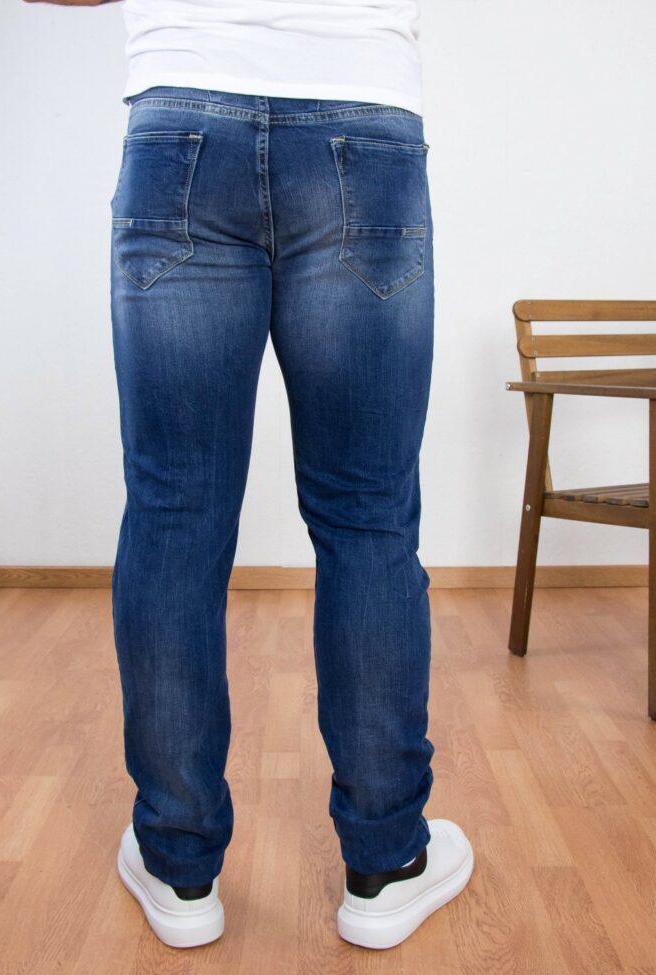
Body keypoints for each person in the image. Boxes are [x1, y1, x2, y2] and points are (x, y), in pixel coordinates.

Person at [25, 0, 474, 951]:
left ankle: (178, 865)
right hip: (363, 121)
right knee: (367, 516)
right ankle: (387, 861)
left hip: (182, 124)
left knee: (174, 515)